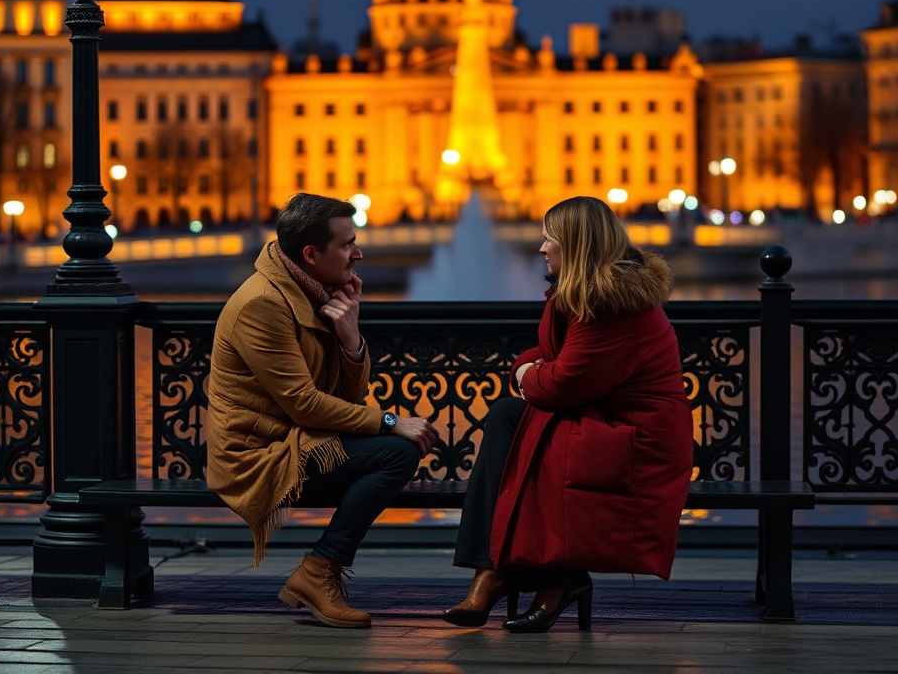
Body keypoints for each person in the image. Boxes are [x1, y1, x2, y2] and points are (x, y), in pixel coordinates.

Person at [444, 196, 692, 633]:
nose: (541, 248)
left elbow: (562, 384)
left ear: (575, 245)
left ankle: (516, 574)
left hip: (637, 439)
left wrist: (526, 373)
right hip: (603, 421)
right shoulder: (585, 295)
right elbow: (550, 356)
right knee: (509, 418)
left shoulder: (610, 305)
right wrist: (529, 368)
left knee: (517, 423)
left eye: (550, 239)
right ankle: (509, 570)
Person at [206, 193, 437, 629]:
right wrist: (389, 421)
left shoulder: (313, 293)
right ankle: (319, 571)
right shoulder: (263, 304)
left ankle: (320, 570)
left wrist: (350, 337)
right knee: (398, 452)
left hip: (299, 439)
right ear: (311, 255)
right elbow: (305, 404)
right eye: (347, 244)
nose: (358, 254)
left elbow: (348, 398)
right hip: (259, 455)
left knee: (405, 446)